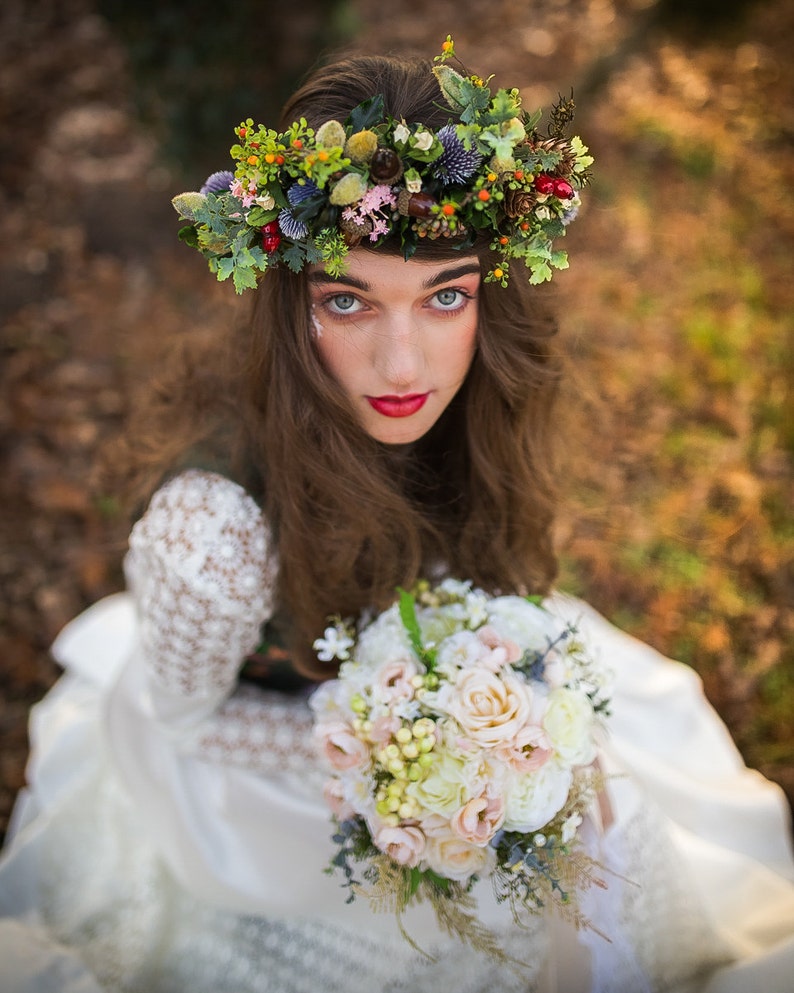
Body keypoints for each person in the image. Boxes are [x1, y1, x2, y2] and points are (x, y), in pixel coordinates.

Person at [1, 39, 793, 993]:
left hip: (426, 714)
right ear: (288, 303)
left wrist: (499, 735)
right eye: (349, 301)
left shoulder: (479, 407)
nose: (406, 368)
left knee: (604, 826)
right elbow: (174, 725)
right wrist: (416, 755)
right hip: (257, 784)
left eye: (445, 295)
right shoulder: (207, 541)